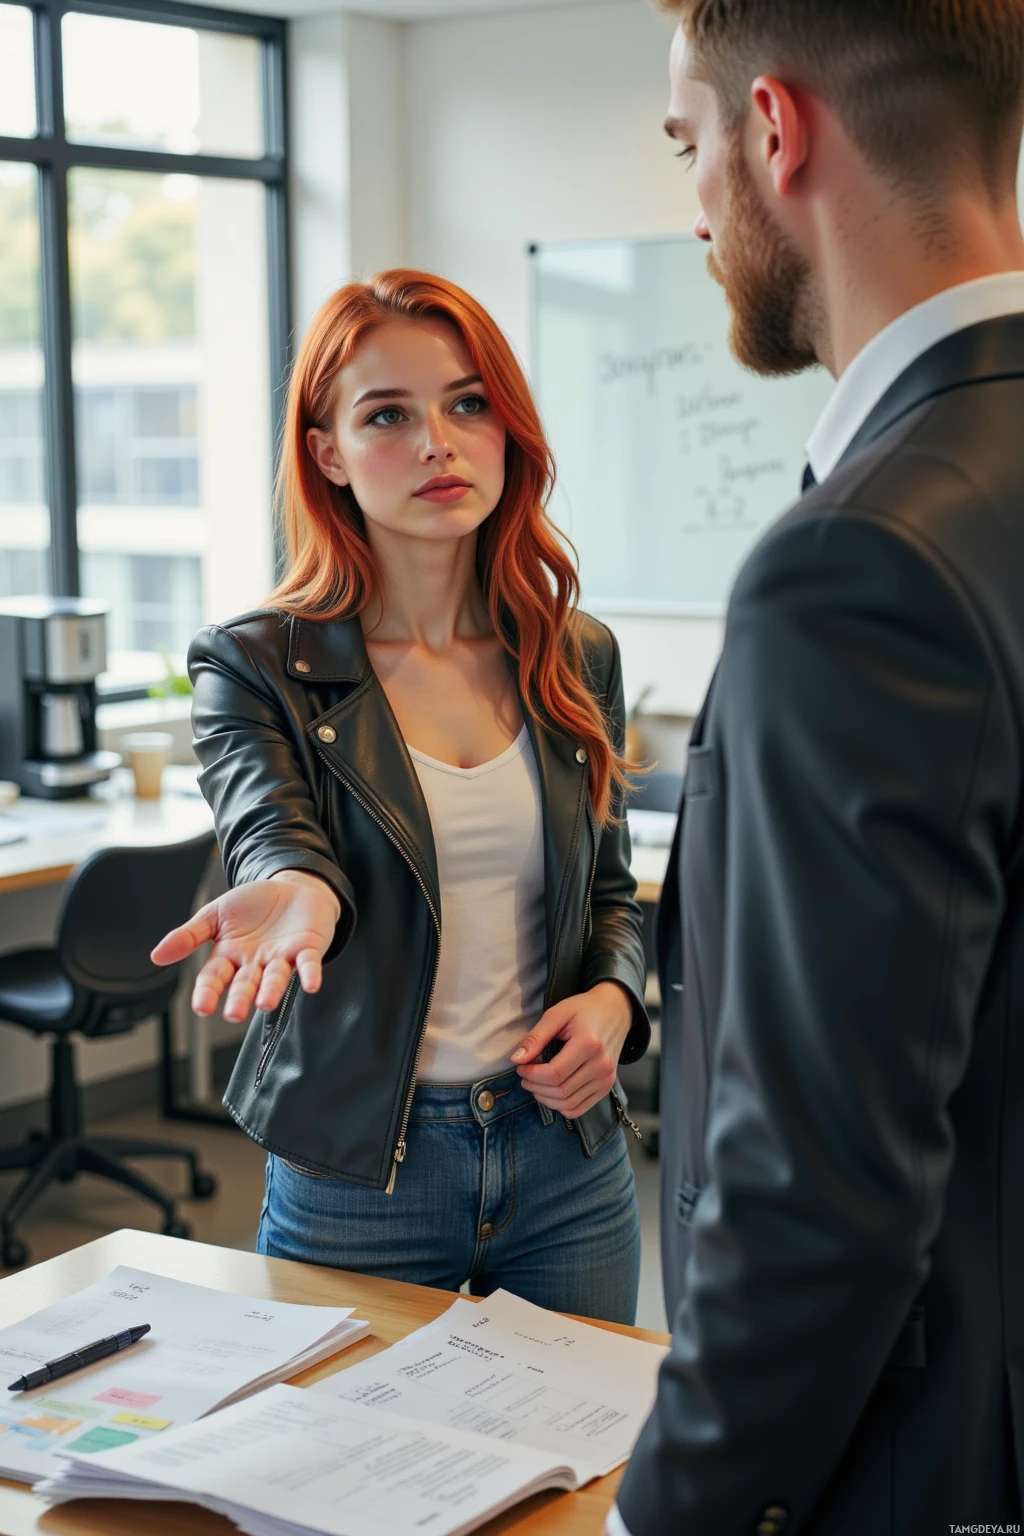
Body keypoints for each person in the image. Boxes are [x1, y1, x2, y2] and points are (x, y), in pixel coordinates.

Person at [611, 1, 1024, 1532]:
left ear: (773, 134)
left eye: (689, 146)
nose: (696, 205)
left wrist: (670, 1516)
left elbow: (819, 1203)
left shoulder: (862, 560)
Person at [152, 270, 650, 1324]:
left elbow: (609, 893)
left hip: (563, 1157)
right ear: (327, 452)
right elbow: (268, 827)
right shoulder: (256, 665)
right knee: (342, 1477)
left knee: (583, 1475)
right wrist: (300, 886)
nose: (439, 441)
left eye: (468, 403)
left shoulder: (571, 653)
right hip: (358, 1173)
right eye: (388, 414)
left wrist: (616, 1003)